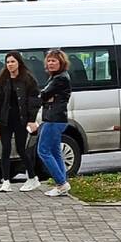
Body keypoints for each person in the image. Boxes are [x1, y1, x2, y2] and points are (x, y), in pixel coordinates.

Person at [0, 51, 41, 193]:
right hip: (5, 120)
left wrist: (31, 119)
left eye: (12, 62)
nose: (10, 65)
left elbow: (34, 100)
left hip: (21, 120)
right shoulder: (2, 80)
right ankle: (6, 181)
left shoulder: (28, 79)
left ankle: (32, 178)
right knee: (5, 149)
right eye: (7, 62)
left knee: (21, 149)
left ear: (19, 62)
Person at [38, 49, 73, 197]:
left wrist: (44, 96)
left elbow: (43, 95)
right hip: (56, 118)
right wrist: (47, 97)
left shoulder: (60, 78)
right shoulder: (56, 77)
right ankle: (62, 182)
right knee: (55, 152)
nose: (50, 63)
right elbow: (47, 96)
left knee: (43, 150)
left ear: (61, 62)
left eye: (54, 61)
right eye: (49, 60)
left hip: (54, 119)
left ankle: (61, 183)